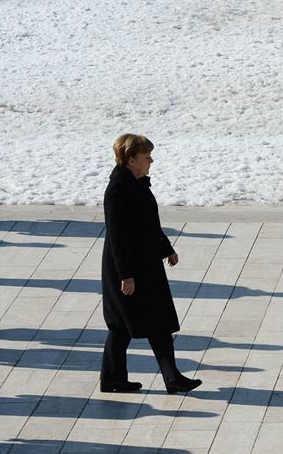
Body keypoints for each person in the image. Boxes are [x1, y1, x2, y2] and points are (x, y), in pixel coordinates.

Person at [100, 133, 202, 394]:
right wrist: (126, 275)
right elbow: (117, 237)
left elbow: (149, 224)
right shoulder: (117, 192)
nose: (151, 161)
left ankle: (161, 378)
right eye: (146, 157)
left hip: (145, 264)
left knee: (145, 323)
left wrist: (166, 248)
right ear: (131, 159)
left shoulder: (138, 185)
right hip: (128, 269)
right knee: (128, 324)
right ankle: (124, 378)